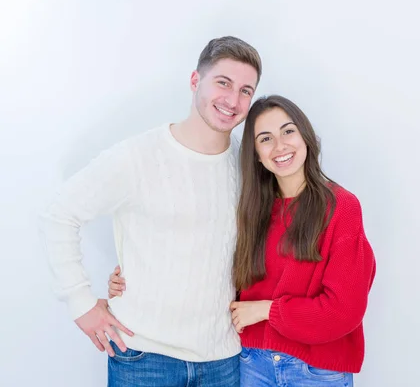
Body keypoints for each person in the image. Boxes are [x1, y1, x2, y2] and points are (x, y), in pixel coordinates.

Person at [39, 36, 262, 387]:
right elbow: (60, 214)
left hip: (224, 360)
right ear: (194, 81)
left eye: (246, 90)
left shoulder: (247, 165)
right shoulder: (138, 157)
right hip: (144, 359)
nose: (233, 100)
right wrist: (80, 303)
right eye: (223, 83)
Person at [109, 95, 377, 386]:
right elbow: (203, 261)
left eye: (288, 131)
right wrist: (134, 275)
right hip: (251, 363)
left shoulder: (341, 207)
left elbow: (342, 312)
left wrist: (267, 310)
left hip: (315, 372)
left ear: (306, 136)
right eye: (265, 139)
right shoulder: (250, 210)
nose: (280, 146)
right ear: (257, 156)